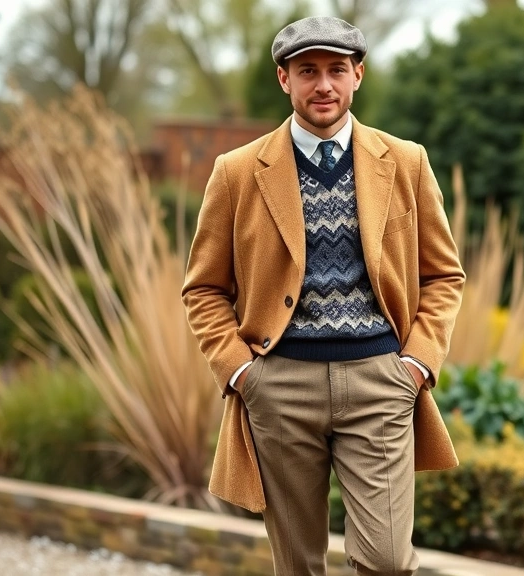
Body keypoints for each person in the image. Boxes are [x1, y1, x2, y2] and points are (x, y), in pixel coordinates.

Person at [181, 15, 466, 576]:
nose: (324, 85)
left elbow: (443, 276)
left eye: (337, 70)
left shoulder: (405, 162)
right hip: (279, 385)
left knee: (386, 561)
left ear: (357, 75)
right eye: (307, 71)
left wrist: (416, 364)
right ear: (283, 80)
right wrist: (242, 372)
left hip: (379, 381)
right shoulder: (237, 172)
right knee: (298, 564)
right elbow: (204, 289)